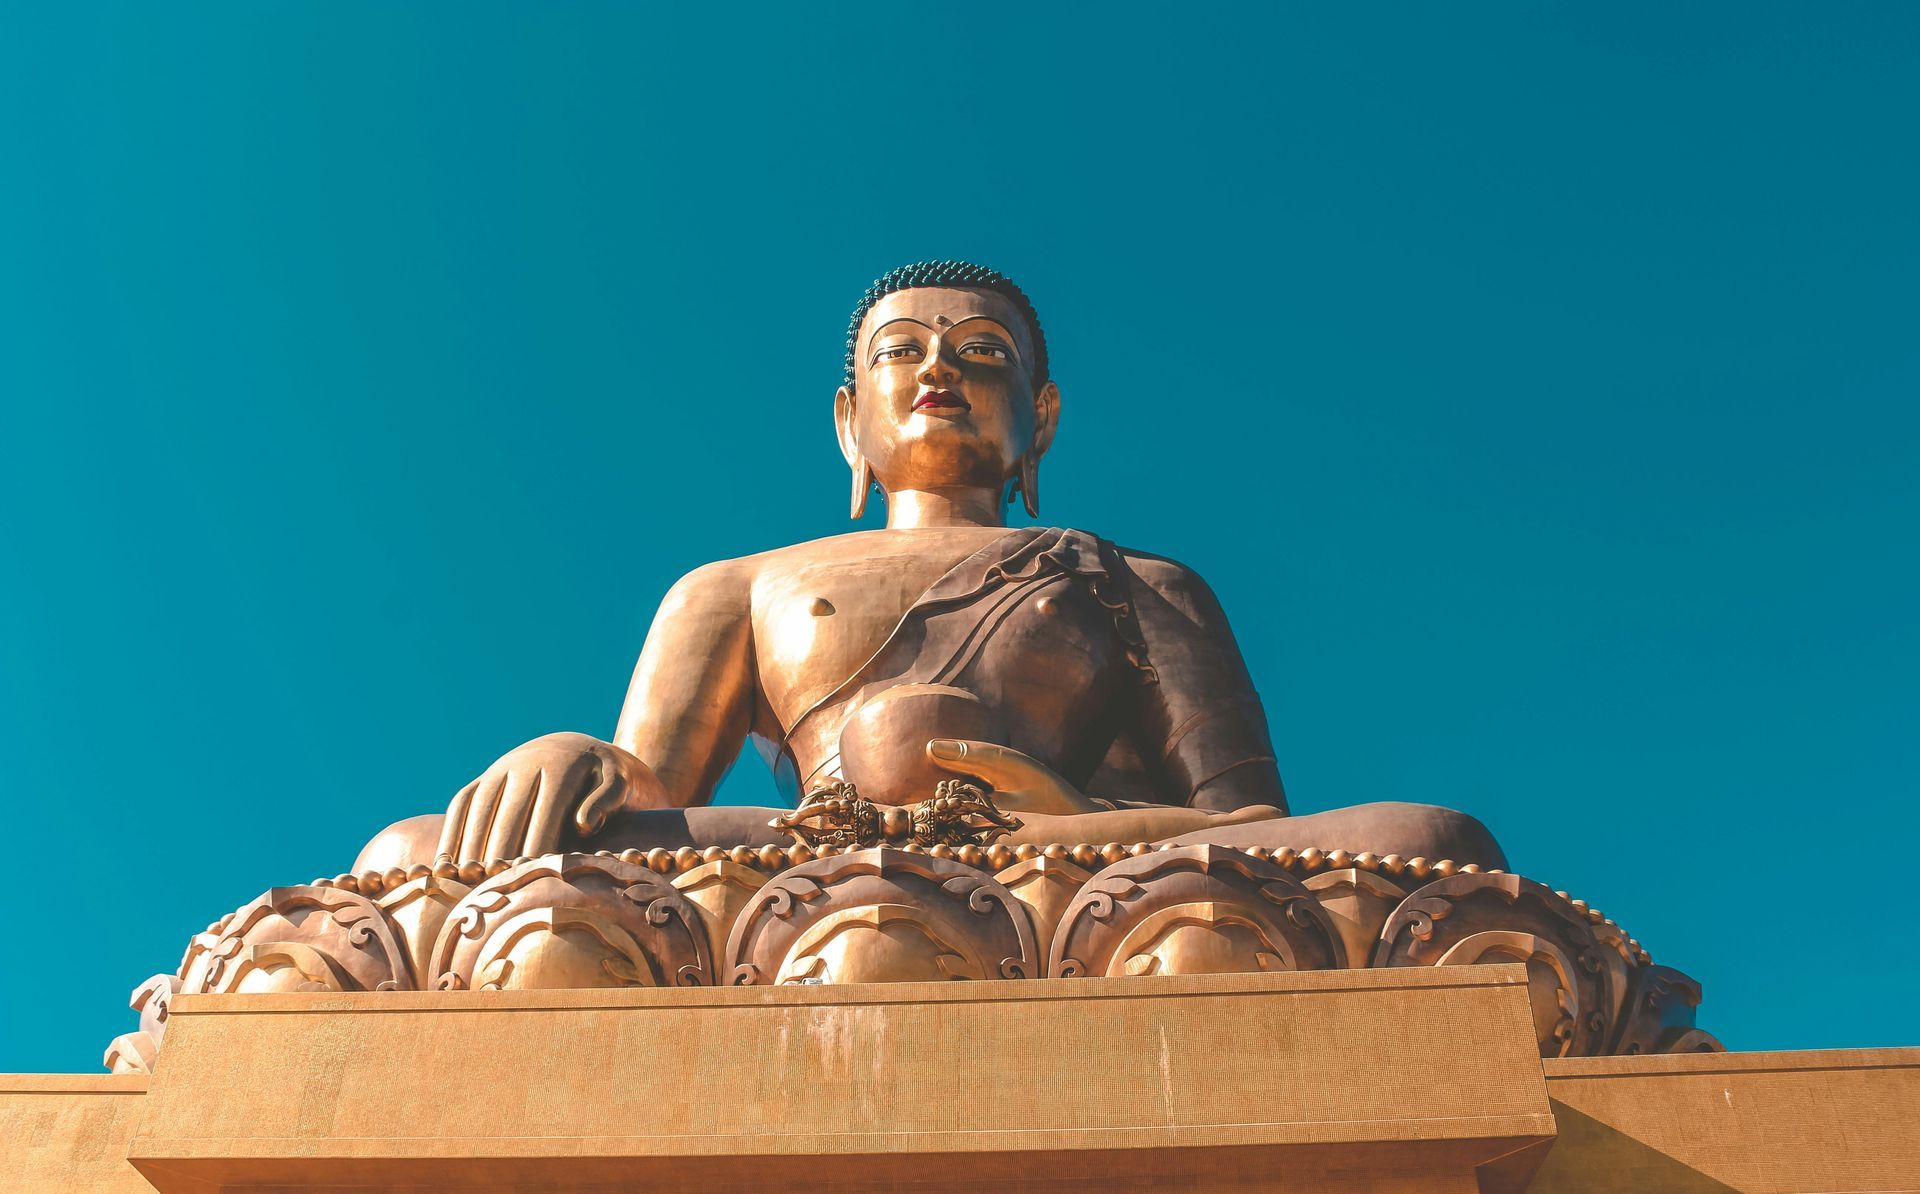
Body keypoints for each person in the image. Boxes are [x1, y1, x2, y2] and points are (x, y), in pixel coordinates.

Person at [356, 262, 1502, 874]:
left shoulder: (1136, 580)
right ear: (850, 421)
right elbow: (653, 795)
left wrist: (1063, 827)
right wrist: (578, 756)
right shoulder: (735, 584)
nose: (939, 368)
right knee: (411, 857)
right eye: (902, 351)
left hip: (1075, 857)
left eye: (982, 352)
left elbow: (1253, 827)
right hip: (807, 852)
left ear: (1039, 419)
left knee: (1430, 847)